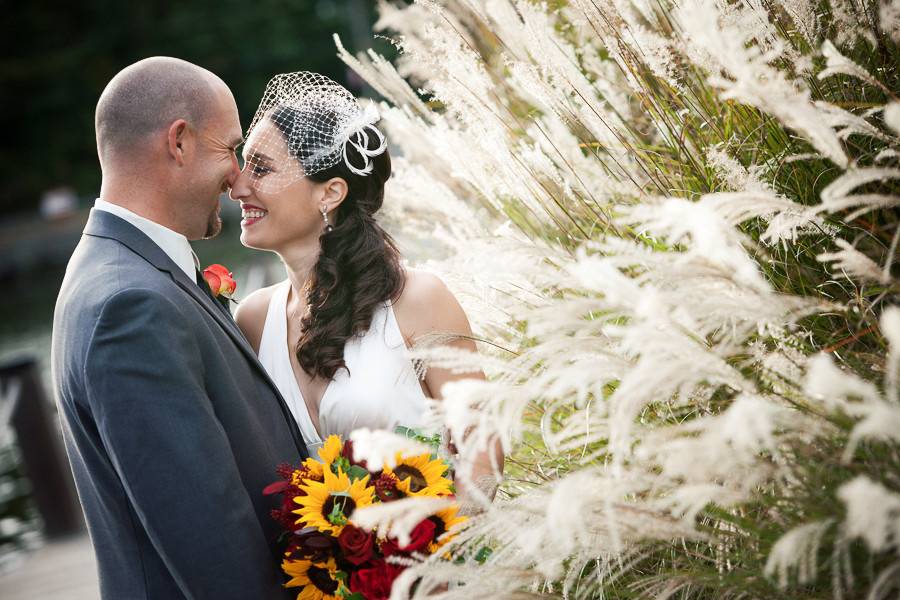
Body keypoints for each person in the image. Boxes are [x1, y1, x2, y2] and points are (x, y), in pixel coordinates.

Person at [50, 57, 308, 599]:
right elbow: (212, 544)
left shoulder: (125, 273)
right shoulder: (131, 305)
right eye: (230, 148)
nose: (238, 175)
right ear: (180, 142)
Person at [229, 72, 503, 508]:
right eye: (243, 166)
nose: (238, 186)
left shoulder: (418, 301)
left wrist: (440, 555)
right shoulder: (253, 319)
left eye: (260, 168)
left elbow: (482, 447)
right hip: (312, 574)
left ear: (331, 192)